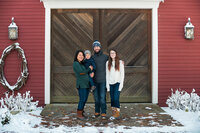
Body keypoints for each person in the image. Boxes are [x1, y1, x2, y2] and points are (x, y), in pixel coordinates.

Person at [73, 50, 93, 119]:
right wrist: (89, 69)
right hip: (81, 85)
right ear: (76, 56)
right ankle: (79, 114)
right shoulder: (76, 63)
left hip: (86, 84)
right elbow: (81, 72)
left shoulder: (82, 64)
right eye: (79, 55)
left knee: (85, 99)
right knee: (82, 99)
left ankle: (81, 112)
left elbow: (87, 69)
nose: (81, 56)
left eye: (82, 55)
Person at [92, 40, 108, 119]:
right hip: (94, 82)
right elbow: (86, 63)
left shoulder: (105, 57)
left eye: (98, 46)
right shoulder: (92, 57)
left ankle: (104, 112)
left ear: (100, 47)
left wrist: (120, 61)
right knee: (96, 98)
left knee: (102, 97)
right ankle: (97, 111)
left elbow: (113, 61)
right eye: (95, 46)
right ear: (93, 48)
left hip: (103, 81)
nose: (96, 48)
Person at [106, 49, 124, 119]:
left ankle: (117, 112)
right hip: (110, 83)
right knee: (112, 98)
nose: (112, 54)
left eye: (113, 53)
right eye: (111, 53)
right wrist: (107, 86)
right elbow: (107, 75)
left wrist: (121, 85)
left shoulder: (120, 63)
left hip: (117, 83)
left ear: (116, 54)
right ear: (110, 55)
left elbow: (122, 75)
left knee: (116, 98)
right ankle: (113, 112)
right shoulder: (107, 63)